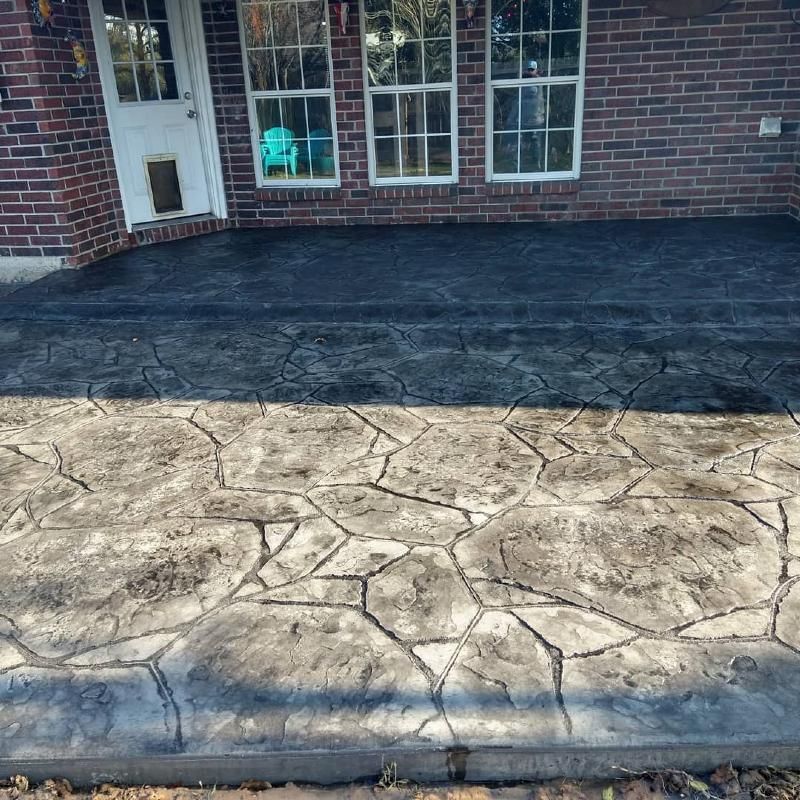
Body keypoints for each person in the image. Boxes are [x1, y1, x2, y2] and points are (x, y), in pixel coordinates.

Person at [506, 59, 546, 172]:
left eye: (532, 70)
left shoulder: (537, 83)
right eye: (528, 70)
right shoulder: (524, 82)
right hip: (524, 120)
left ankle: (537, 164)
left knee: (536, 143)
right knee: (518, 143)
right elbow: (518, 101)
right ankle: (517, 166)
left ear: (536, 70)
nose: (529, 72)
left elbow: (529, 98)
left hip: (535, 120)